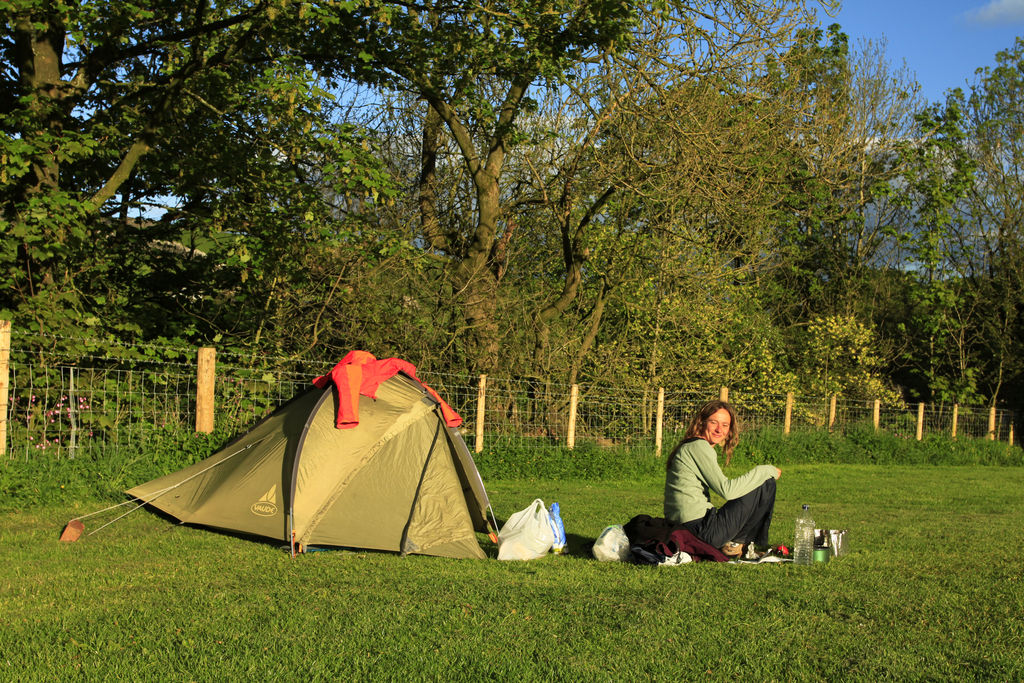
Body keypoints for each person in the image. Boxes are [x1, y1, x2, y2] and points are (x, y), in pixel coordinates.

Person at [664, 400, 781, 557]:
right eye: (714, 423)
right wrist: (766, 470)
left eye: (725, 425)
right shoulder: (698, 446)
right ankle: (737, 544)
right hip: (699, 531)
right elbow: (727, 490)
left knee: (760, 481)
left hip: (687, 528)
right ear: (702, 422)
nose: (719, 429)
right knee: (766, 482)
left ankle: (738, 544)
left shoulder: (690, 446)